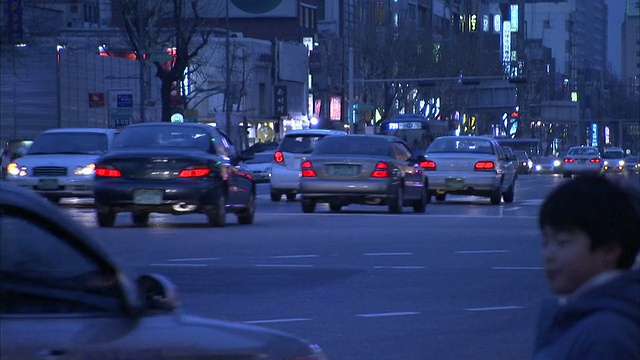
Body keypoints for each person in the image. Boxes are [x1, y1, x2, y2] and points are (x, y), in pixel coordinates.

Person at [533, 175, 640, 359]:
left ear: (610, 250)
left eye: (562, 242)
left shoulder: (607, 337)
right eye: (545, 242)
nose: (548, 254)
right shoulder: (575, 314)